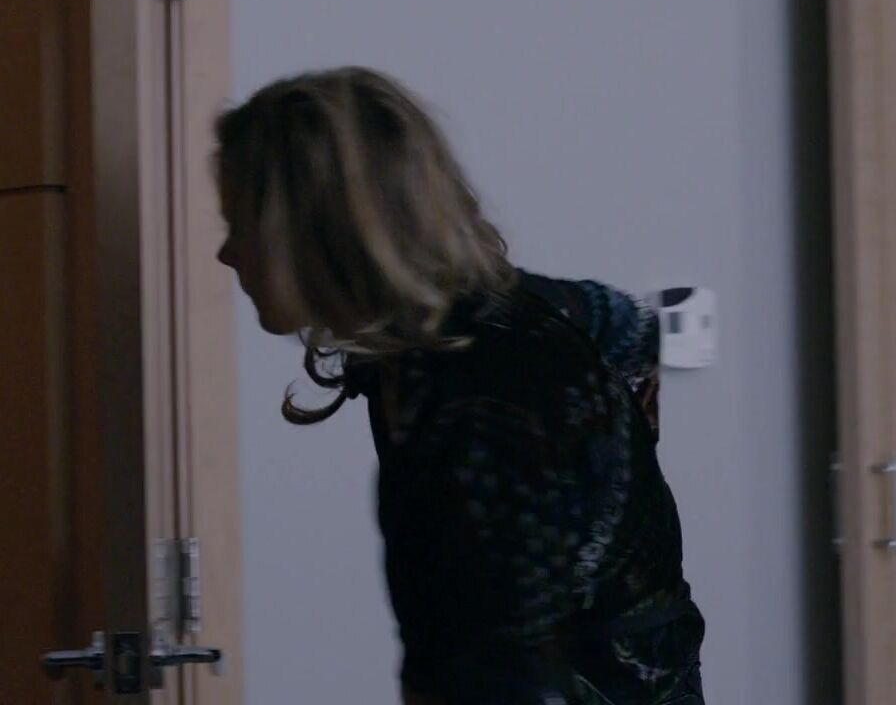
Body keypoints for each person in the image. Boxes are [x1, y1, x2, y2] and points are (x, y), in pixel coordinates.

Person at [213, 67, 705, 705]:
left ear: (312, 233)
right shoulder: (442, 338)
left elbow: (502, 678)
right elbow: (649, 328)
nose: (227, 254)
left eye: (239, 225)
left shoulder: (488, 405)